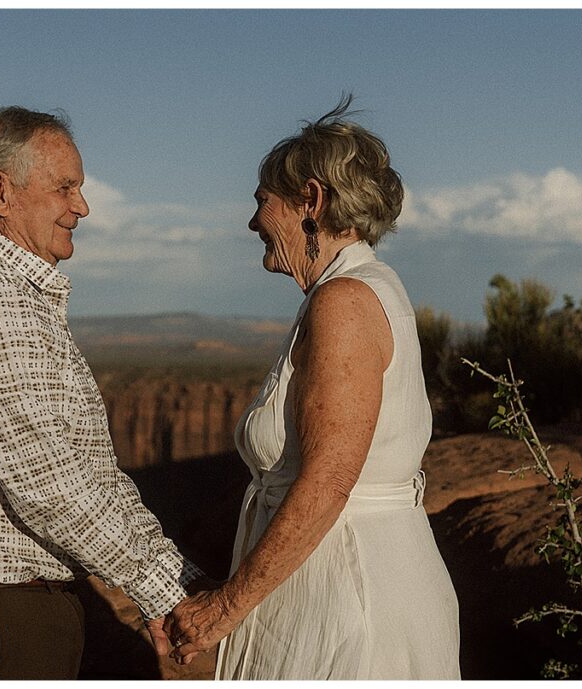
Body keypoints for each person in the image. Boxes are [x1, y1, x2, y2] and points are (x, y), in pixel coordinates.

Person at [0, 106, 200, 680]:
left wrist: (175, 573)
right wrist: (165, 589)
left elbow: (90, 472)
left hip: (3, 607)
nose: (81, 207)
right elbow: (48, 481)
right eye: (65, 187)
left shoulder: (10, 292)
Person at [163, 96, 461, 679]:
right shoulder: (361, 288)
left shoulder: (344, 302)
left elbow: (327, 484)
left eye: (261, 202)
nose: (253, 223)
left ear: (312, 200)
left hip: (348, 594)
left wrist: (224, 610)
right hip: (345, 578)